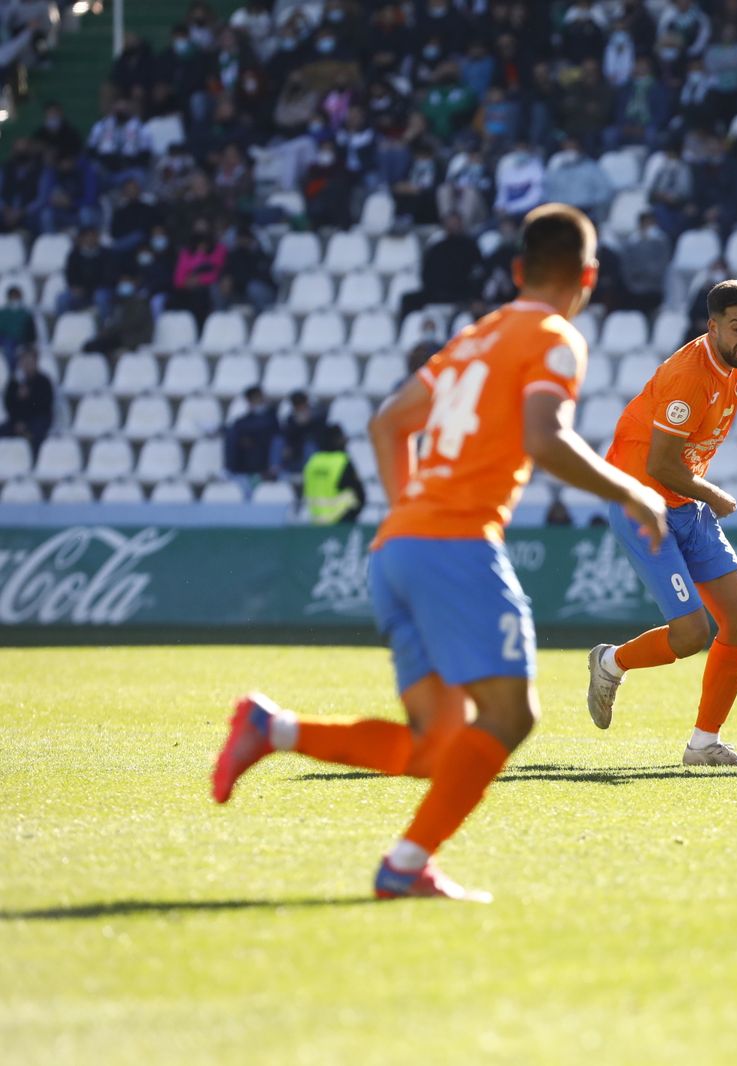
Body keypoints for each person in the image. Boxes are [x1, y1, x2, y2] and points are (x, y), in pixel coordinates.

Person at [211, 204, 669, 902]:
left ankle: (270, 728)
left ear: (517, 270)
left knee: (435, 746)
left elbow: (388, 422)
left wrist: (407, 512)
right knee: (511, 717)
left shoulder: (473, 337)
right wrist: (633, 493)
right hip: (455, 546)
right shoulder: (554, 336)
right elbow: (545, 440)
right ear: (590, 276)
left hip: (396, 549)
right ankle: (404, 865)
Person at [586, 280, 737, 767]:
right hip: (643, 501)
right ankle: (611, 661)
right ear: (712, 326)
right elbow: (660, 464)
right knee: (691, 634)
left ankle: (704, 745)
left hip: (684, 500)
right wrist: (713, 493)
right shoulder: (688, 376)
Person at [302, 424, 366, 524]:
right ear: (336, 440)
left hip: (316, 522)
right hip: (341, 522)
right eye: (341, 438)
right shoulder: (342, 461)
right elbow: (360, 495)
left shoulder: (312, 462)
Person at [223, 385, 280, 493]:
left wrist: (248, 437)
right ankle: (229, 470)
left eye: (258, 397)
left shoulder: (272, 416)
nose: (257, 401)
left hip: (264, 459)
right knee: (232, 435)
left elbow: (263, 428)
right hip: (246, 463)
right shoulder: (245, 419)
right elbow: (239, 426)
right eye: (254, 399)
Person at [1, 347, 54, 456]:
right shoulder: (15, 382)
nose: (26, 364)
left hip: (38, 419)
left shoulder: (43, 381)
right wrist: (17, 421)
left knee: (37, 433)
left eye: (29, 360)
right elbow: (8, 404)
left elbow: (45, 405)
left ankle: (34, 462)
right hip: (17, 421)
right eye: (24, 360)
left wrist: (29, 397)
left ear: (36, 361)